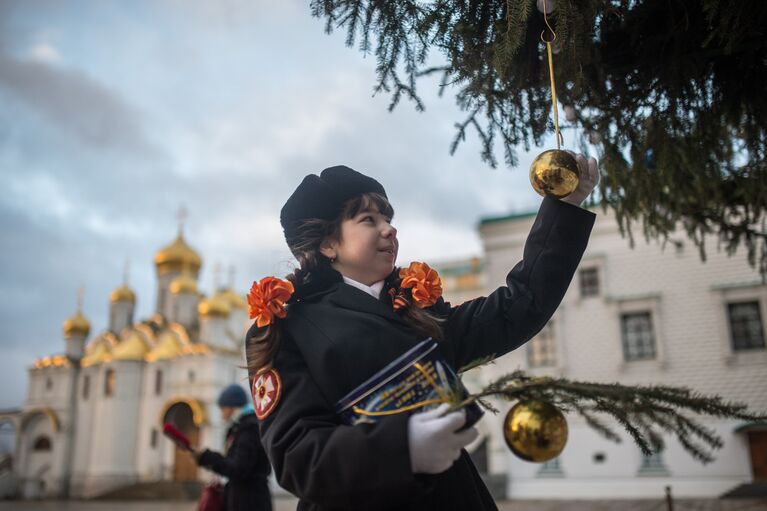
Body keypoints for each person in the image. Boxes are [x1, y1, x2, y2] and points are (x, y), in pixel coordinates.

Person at [246, 162, 599, 510]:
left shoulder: (417, 308)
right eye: (369, 220)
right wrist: (402, 448)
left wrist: (564, 210)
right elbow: (297, 458)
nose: (389, 230)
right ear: (327, 244)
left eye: (389, 219)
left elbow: (518, 308)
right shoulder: (287, 326)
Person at [194, 383, 273, 511]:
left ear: (232, 407)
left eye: (223, 408)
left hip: (249, 501)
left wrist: (207, 458)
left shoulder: (249, 429)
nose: (221, 414)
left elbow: (238, 468)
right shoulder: (240, 428)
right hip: (243, 498)